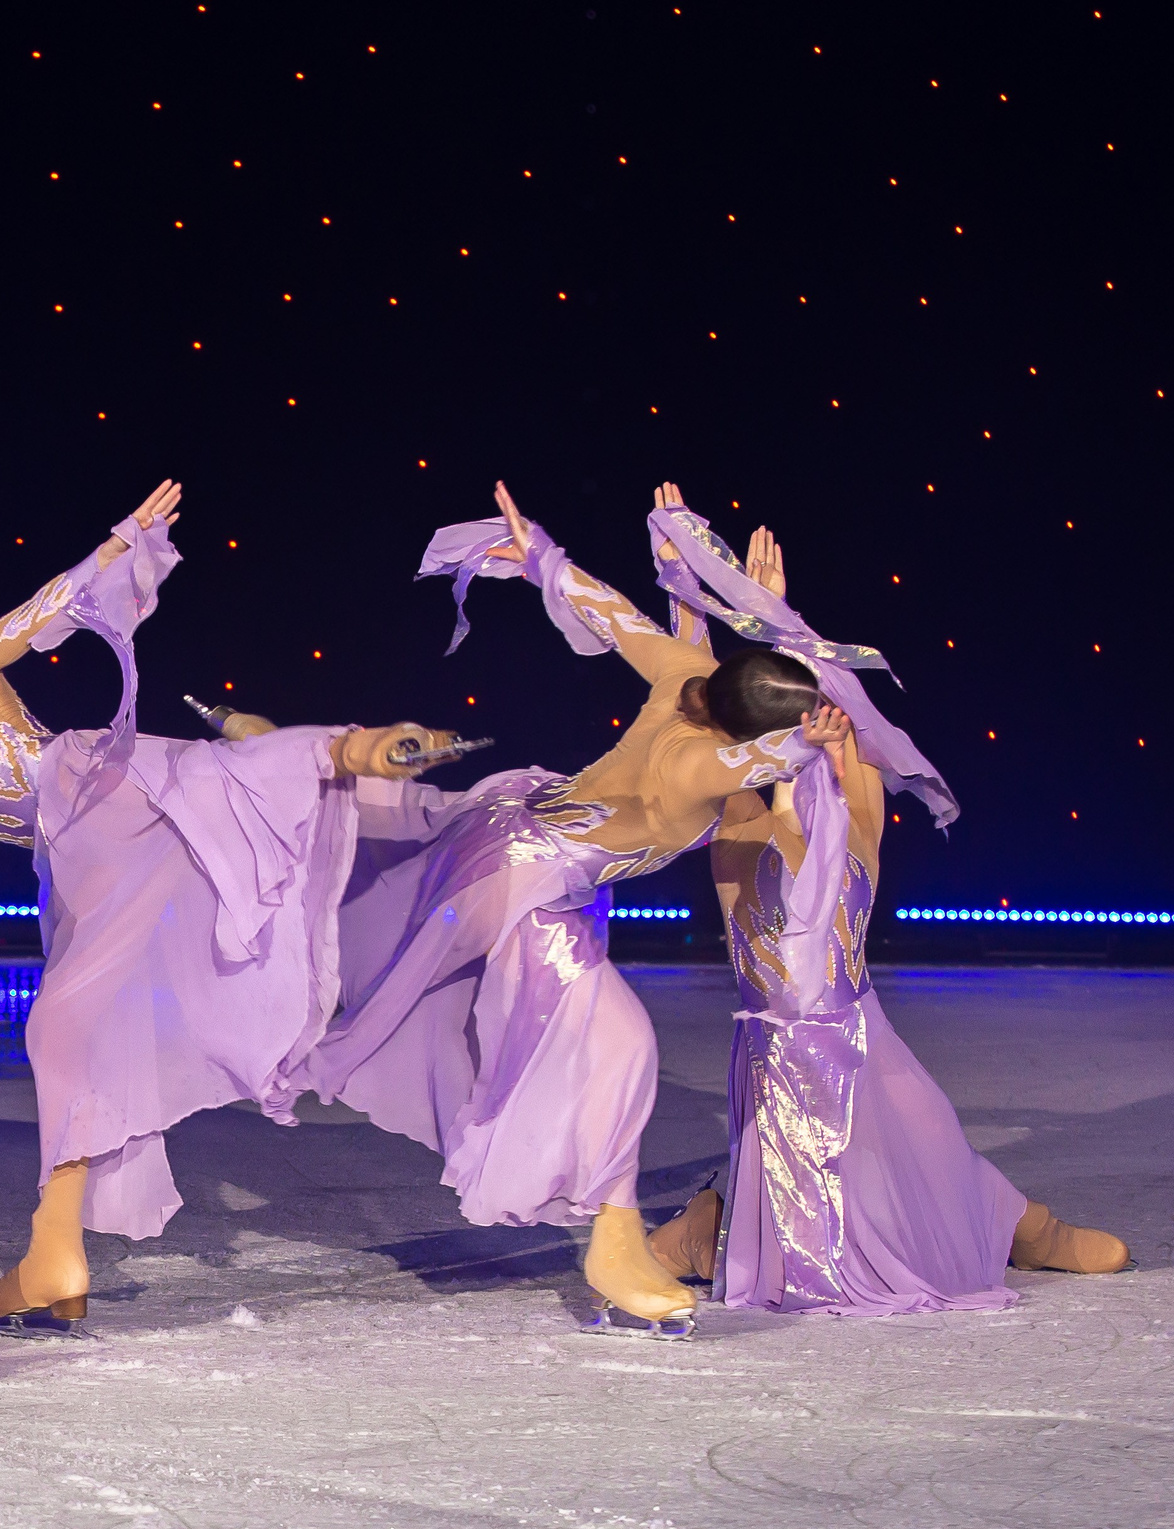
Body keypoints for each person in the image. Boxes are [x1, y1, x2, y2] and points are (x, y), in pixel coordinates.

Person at [0, 480, 452, 1334]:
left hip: (93, 795)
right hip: (79, 858)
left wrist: (119, 546)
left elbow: (39, 611)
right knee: (66, 1033)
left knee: (205, 799)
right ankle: (56, 1253)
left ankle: (355, 753)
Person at [289, 481, 842, 1337]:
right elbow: (756, 759)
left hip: (531, 842)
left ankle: (603, 1222)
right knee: (621, 1044)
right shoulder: (700, 764)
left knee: (574, 1042)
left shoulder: (687, 674)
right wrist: (807, 737)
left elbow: (613, 612)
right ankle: (614, 1242)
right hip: (527, 885)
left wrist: (544, 557)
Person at [652, 522, 1131, 1310]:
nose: (833, 727)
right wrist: (686, 599)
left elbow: (823, 717)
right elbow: (698, 726)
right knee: (825, 1221)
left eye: (832, 719)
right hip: (782, 1067)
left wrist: (775, 617)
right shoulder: (739, 830)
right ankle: (709, 1226)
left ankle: (1023, 1225)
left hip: (865, 1039)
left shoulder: (859, 806)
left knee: (930, 1142)